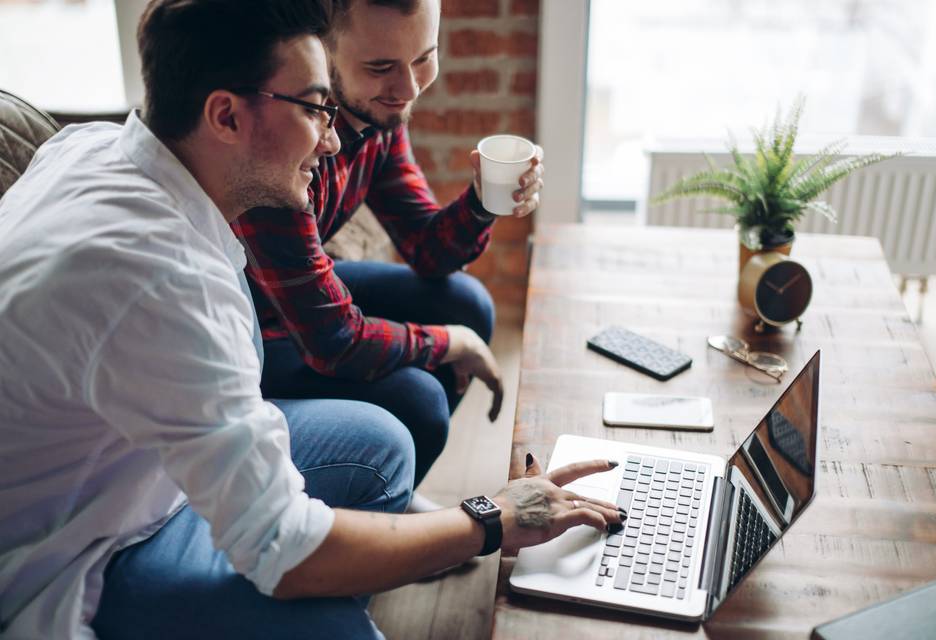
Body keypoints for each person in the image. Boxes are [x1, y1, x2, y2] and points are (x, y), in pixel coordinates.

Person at [0, 1, 617, 638]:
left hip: (141, 468)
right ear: (226, 115)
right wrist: (491, 520)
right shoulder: (165, 283)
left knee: (383, 443)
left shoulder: (96, 145)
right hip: (79, 554)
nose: (330, 138)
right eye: (314, 107)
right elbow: (285, 549)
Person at [231, 0, 545, 496]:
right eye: (380, 67)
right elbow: (333, 340)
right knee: (420, 397)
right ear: (322, 47)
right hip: (245, 329)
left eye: (424, 57)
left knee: (467, 302)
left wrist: (485, 202)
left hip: (295, 301)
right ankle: (369, 512)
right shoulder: (283, 141)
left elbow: (427, 249)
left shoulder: (378, 113)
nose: (409, 88)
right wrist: (451, 343)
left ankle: (392, 491)